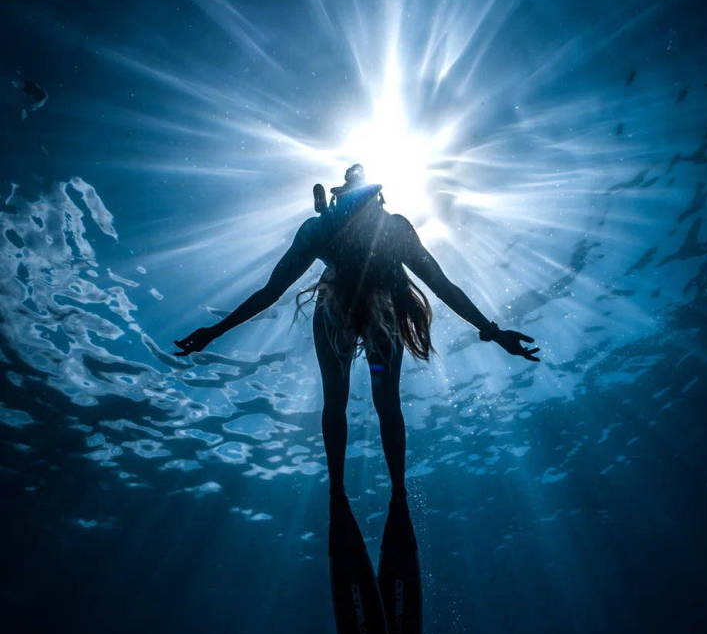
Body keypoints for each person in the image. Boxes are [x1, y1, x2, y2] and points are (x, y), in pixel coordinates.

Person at [174, 163, 540, 500]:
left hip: (378, 306)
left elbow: (442, 285)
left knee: (375, 401)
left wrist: (493, 331)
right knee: (350, 399)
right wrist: (215, 330)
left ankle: (389, 489)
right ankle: (343, 489)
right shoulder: (330, 229)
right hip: (340, 307)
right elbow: (271, 292)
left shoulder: (379, 229)